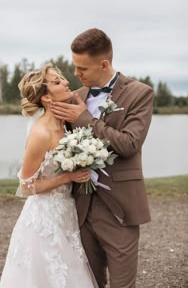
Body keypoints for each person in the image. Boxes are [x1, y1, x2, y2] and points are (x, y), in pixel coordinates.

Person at [50, 28, 154, 288]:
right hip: (81, 208)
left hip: (119, 209)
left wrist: (85, 119)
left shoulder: (139, 94)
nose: (75, 74)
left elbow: (129, 144)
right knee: (88, 283)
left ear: (104, 64)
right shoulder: (76, 96)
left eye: (81, 68)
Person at [0, 63, 98, 288]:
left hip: (67, 212)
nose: (65, 82)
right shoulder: (40, 133)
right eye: (56, 82)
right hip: (44, 220)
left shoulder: (67, 126)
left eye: (61, 78)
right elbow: (25, 186)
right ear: (46, 98)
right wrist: (67, 178)